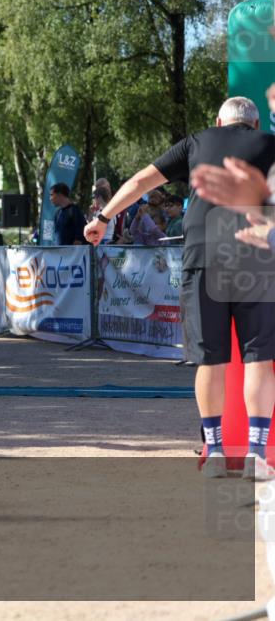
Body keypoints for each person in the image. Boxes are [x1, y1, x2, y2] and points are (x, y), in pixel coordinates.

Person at [84, 96, 275, 479]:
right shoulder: (271, 145)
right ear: (254, 125)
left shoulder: (196, 142)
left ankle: (216, 451)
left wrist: (103, 218)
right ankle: (256, 454)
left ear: (219, 122)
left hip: (204, 254)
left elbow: (141, 181)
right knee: (258, 358)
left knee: (211, 358)